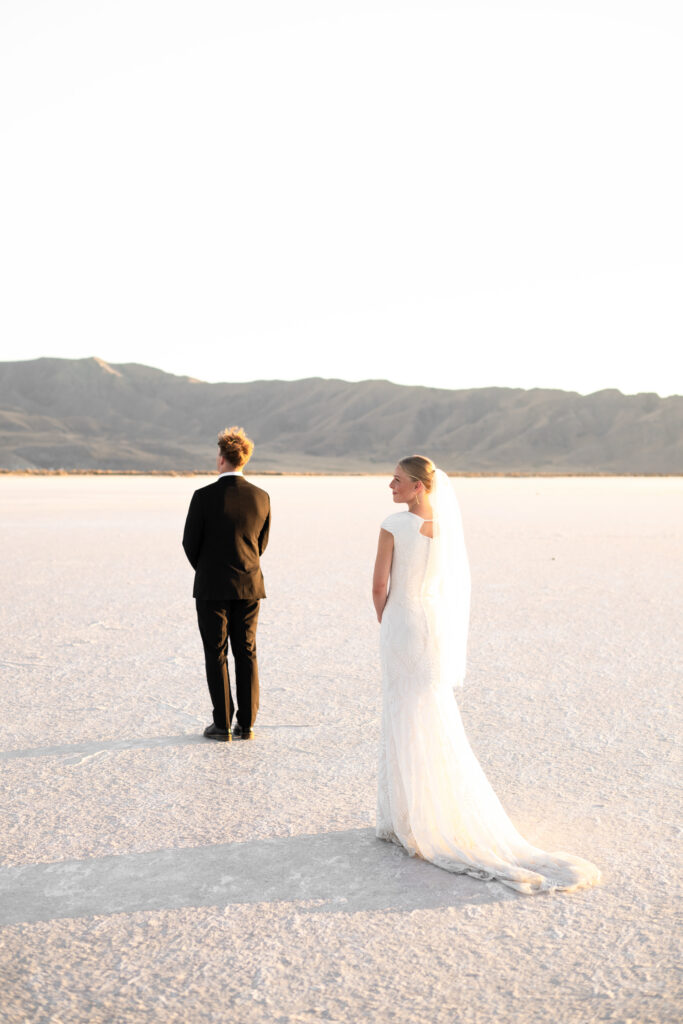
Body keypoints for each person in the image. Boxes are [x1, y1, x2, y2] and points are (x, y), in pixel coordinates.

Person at [372, 455, 601, 894]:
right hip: (433, 626)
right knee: (431, 712)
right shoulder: (448, 529)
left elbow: (379, 586)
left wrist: (388, 624)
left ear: (419, 486)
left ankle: (405, 819)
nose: (391, 486)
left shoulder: (394, 524)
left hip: (402, 624)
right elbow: (448, 587)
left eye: (398, 480)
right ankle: (427, 812)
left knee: (402, 711)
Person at [183, 427, 270, 741]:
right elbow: (261, 543)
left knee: (216, 653)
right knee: (246, 652)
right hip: (249, 585)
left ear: (221, 459)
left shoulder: (203, 497)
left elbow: (189, 543)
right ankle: (245, 724)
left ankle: (222, 724)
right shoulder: (261, 497)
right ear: (245, 458)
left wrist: (207, 569)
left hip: (211, 586)